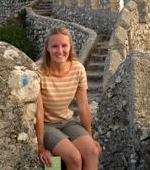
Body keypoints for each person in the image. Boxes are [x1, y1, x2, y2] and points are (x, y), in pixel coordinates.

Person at [35, 26, 101, 169]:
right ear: (47, 47)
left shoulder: (78, 69)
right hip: (46, 125)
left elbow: (83, 107)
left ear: (70, 46)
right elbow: (39, 113)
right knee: (74, 158)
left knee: (92, 151)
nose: (60, 51)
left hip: (66, 121)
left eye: (64, 46)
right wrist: (41, 147)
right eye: (54, 46)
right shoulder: (38, 71)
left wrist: (89, 137)